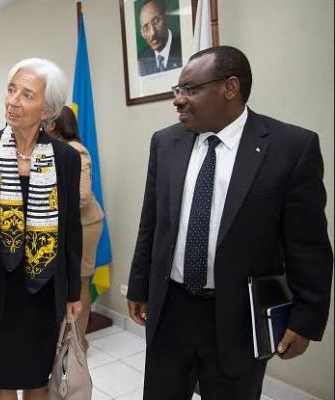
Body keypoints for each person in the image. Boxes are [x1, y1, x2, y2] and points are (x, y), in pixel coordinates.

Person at [127, 45, 333, 399]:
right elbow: (152, 223)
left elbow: (308, 247)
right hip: (171, 309)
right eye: (178, 90)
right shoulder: (166, 142)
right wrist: (139, 284)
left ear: (230, 87)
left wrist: (304, 320)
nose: (178, 100)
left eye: (190, 89)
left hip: (238, 318)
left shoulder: (290, 147)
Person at [0, 58, 83, 400]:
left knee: (37, 377)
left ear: (47, 109)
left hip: (42, 287)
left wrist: (73, 294)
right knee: (2, 378)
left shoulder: (65, 158)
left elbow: (70, 228)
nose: (13, 101)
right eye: (11, 90)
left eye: (26, 94)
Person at [45, 105, 104, 351]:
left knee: (79, 283)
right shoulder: (50, 150)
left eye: (46, 121)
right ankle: (65, 340)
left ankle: (78, 343)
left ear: (54, 125)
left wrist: (45, 208)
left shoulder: (76, 151)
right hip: (66, 228)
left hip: (84, 226)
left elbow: (81, 196)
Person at [138, 0, 183, 76]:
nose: (152, 33)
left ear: (167, 18)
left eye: (156, 21)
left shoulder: (183, 46)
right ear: (142, 33)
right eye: (146, 27)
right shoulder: (142, 60)